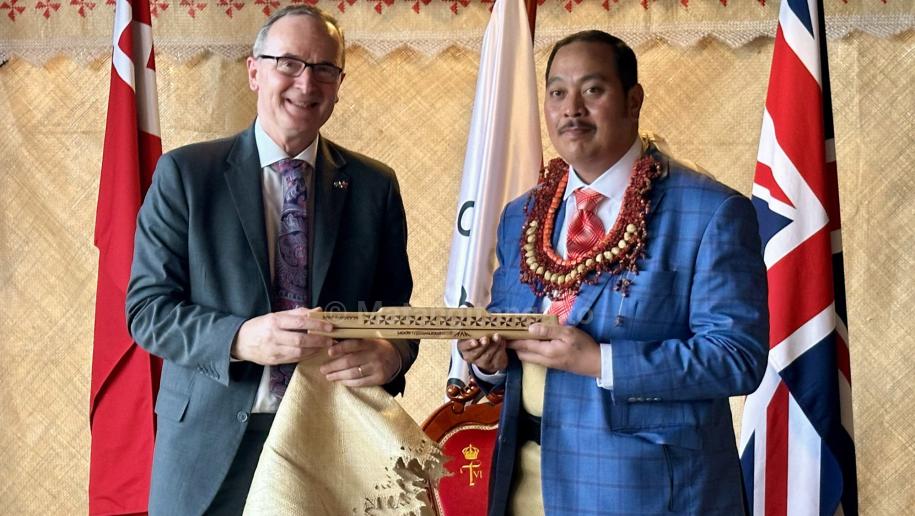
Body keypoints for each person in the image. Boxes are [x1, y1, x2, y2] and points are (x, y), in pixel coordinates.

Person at [458, 30, 768, 516]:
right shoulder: (522, 215)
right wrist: (489, 364)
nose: (571, 109)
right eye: (557, 92)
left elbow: (736, 358)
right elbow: (509, 335)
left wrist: (601, 361)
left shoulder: (711, 211)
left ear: (633, 100)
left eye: (593, 90)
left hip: (646, 492)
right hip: (526, 486)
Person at [125, 6, 416, 514]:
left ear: (340, 84)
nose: (307, 82)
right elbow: (147, 311)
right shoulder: (187, 176)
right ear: (254, 70)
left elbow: (396, 310)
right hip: (207, 449)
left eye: (325, 68)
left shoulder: (374, 185)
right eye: (289, 63)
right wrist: (240, 338)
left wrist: (391, 351)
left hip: (333, 443)